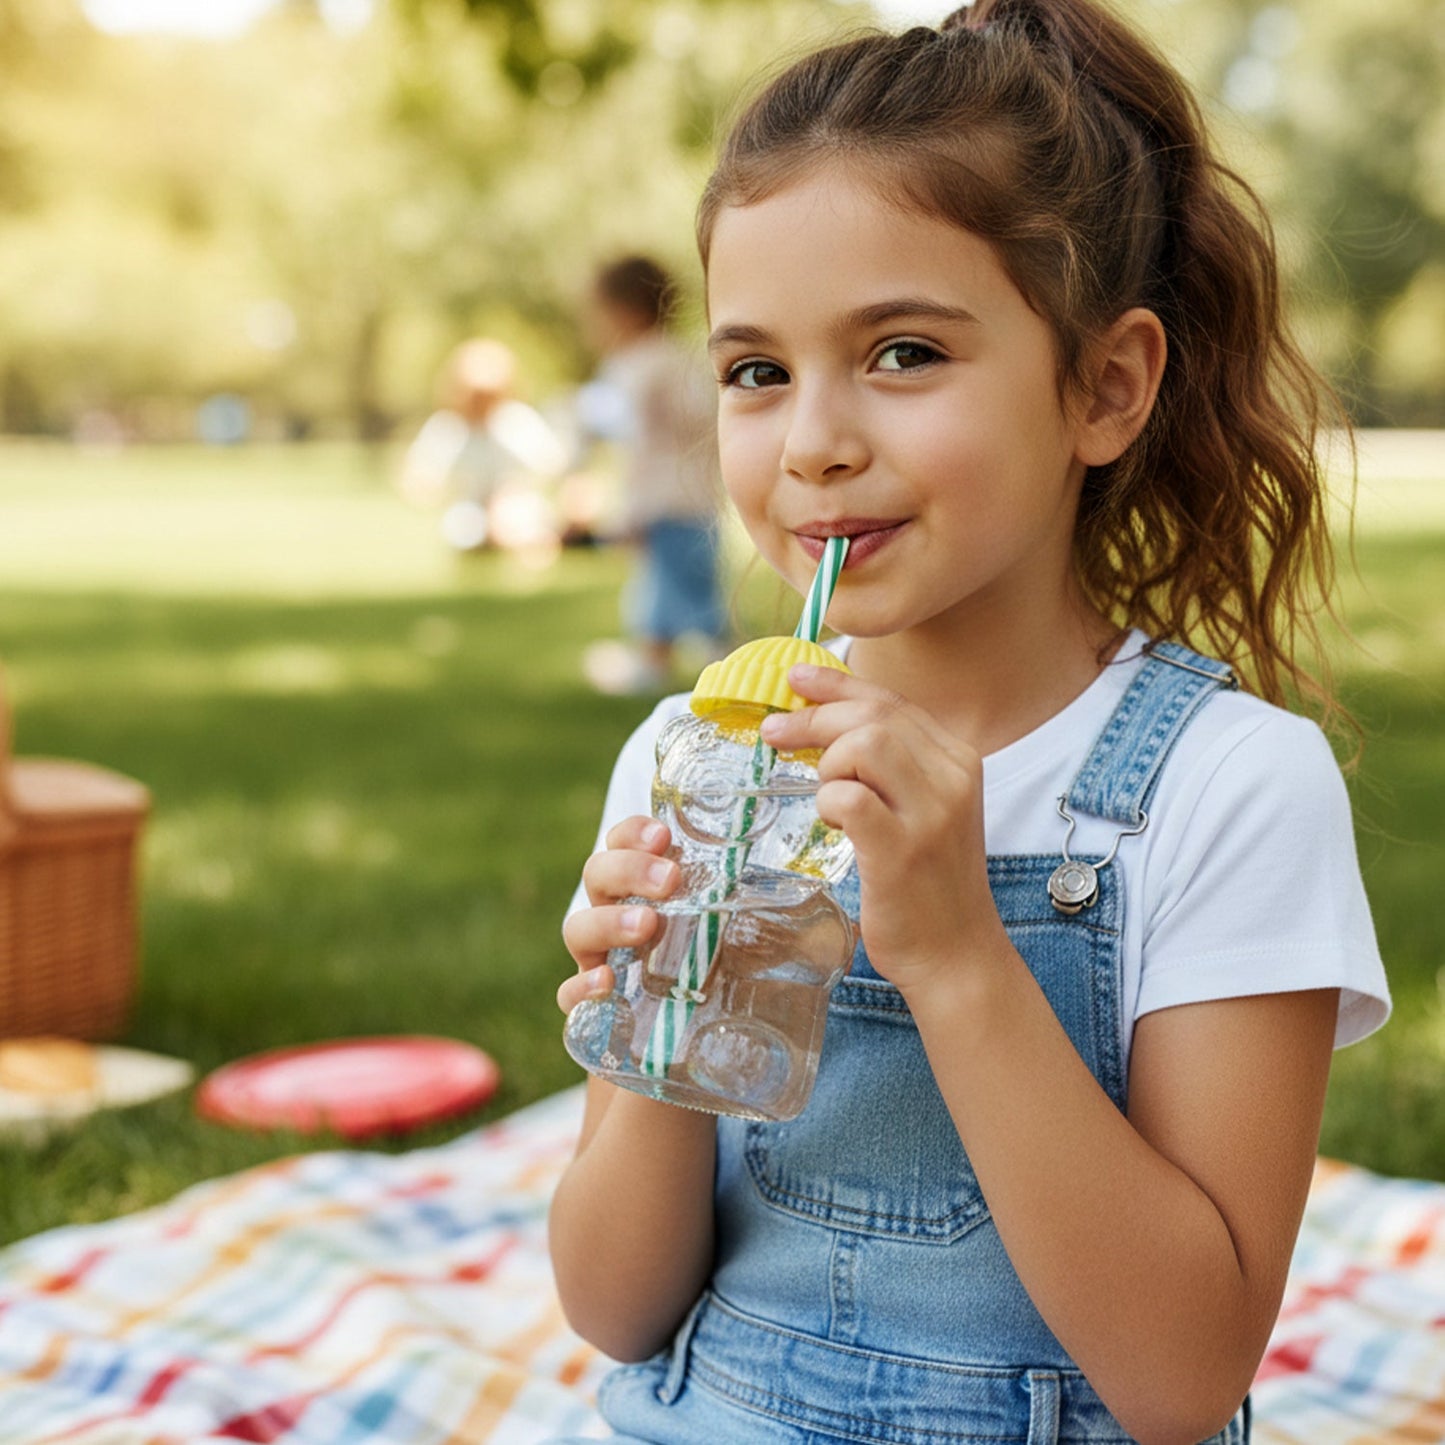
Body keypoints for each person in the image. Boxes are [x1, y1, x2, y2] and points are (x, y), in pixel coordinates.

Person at [549, 3, 1391, 1441]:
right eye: (756, 370)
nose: (812, 437)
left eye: (902, 354)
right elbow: (614, 1308)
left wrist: (952, 949)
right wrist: (664, 1034)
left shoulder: (1229, 785)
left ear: (1105, 388)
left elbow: (1182, 1379)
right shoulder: (701, 758)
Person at [578, 256, 727, 695]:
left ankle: (672, 662)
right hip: (697, 496)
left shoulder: (635, 369)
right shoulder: (682, 359)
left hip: (663, 499)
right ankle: (672, 658)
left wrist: (631, 511)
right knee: (680, 579)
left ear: (625, 311)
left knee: (675, 585)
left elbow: (639, 444)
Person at [398, 338, 567, 555]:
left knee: (519, 518)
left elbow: (552, 465)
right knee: (464, 528)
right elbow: (419, 476)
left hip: (515, 503)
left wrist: (513, 491)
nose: (481, 403)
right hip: (469, 507)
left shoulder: (516, 422)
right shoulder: (448, 429)